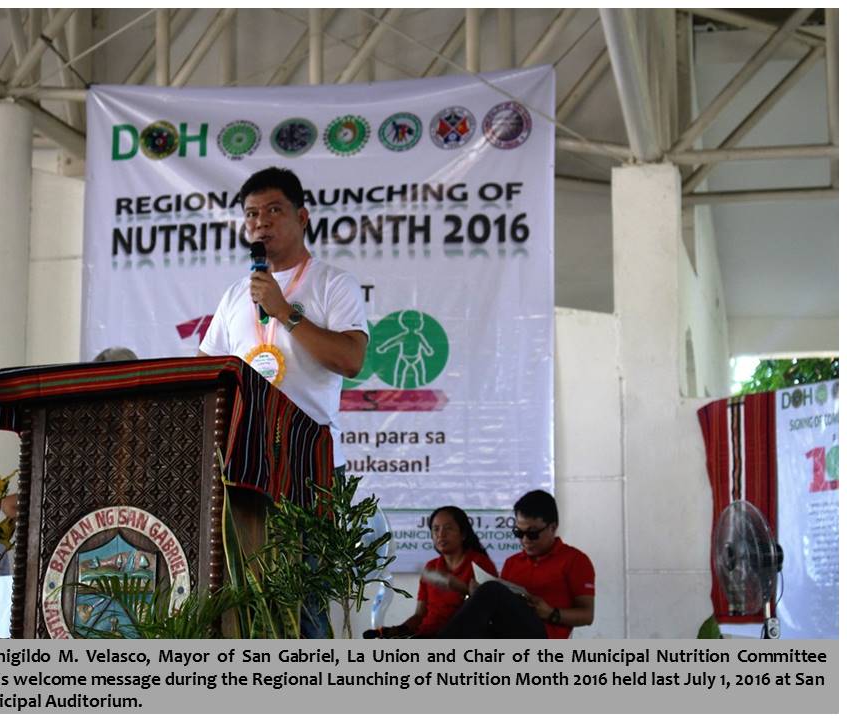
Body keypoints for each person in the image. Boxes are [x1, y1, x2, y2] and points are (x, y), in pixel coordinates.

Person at [198, 167, 369, 637]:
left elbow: (351, 359)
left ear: (303, 217)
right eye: (251, 214)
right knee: (239, 593)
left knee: (301, 598)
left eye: (274, 210)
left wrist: (285, 313)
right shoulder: (235, 295)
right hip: (239, 463)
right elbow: (203, 373)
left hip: (304, 460)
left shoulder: (335, 285)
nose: (261, 223)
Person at [437, 490, 594, 639]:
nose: (525, 540)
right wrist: (476, 596)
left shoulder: (575, 560)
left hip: (544, 635)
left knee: (493, 589)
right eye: (519, 533)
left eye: (532, 534)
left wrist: (552, 613)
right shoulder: (512, 562)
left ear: (552, 527)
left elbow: (587, 615)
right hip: (508, 633)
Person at [366, 506, 497, 638]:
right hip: (427, 635)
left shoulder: (480, 564)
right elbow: (419, 616)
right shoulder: (431, 567)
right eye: (436, 529)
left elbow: (490, 612)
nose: (441, 534)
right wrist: (397, 630)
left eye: (448, 528)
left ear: (463, 534)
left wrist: (459, 587)